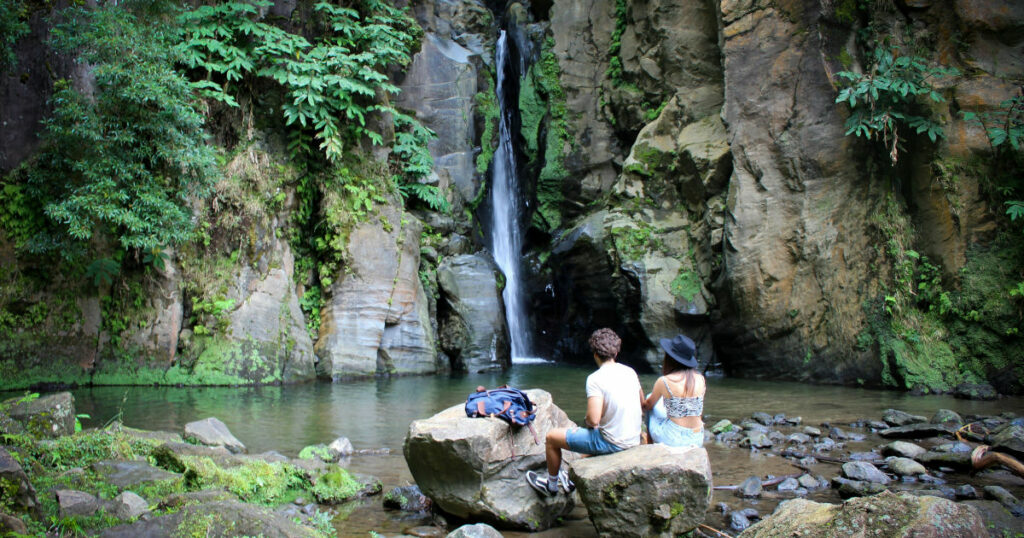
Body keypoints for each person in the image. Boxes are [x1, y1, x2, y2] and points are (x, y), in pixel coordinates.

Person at [526, 328, 644, 496]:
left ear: (595, 354)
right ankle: (568, 477)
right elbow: (641, 403)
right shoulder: (629, 371)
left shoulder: (595, 379)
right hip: (632, 438)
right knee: (585, 442)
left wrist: (588, 422)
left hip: (614, 442)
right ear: (616, 352)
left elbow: (593, 420)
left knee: (552, 437)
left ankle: (551, 486)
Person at [643, 334, 705, 448]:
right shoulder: (700, 378)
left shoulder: (665, 381)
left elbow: (647, 406)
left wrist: (639, 395)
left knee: (649, 398)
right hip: (697, 438)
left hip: (673, 439)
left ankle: (650, 445)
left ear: (670, 358)